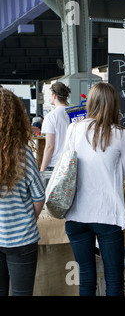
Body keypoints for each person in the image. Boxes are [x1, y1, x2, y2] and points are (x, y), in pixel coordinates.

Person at [64, 82, 125, 296]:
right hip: (107, 213)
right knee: (114, 281)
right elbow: (123, 174)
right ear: (114, 105)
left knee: (86, 279)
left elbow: (65, 167)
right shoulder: (122, 134)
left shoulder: (74, 129)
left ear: (90, 103)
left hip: (76, 213)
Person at [0, 89, 45, 296]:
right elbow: (38, 196)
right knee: (22, 293)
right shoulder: (23, 152)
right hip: (22, 238)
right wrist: (30, 217)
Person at [40, 82, 71, 171]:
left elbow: (50, 146)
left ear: (54, 95)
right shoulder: (74, 113)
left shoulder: (51, 116)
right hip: (72, 163)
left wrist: (42, 170)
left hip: (55, 165)